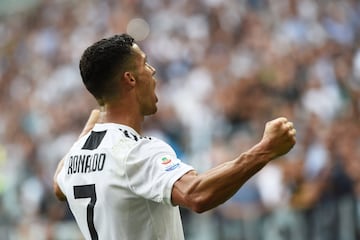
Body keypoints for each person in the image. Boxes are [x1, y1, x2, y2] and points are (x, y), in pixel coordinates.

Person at [53, 34, 296, 240]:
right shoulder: (135, 151)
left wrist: (90, 128)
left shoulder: (75, 157)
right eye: (145, 64)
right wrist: (265, 150)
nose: (153, 70)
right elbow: (196, 194)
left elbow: (58, 186)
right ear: (130, 78)